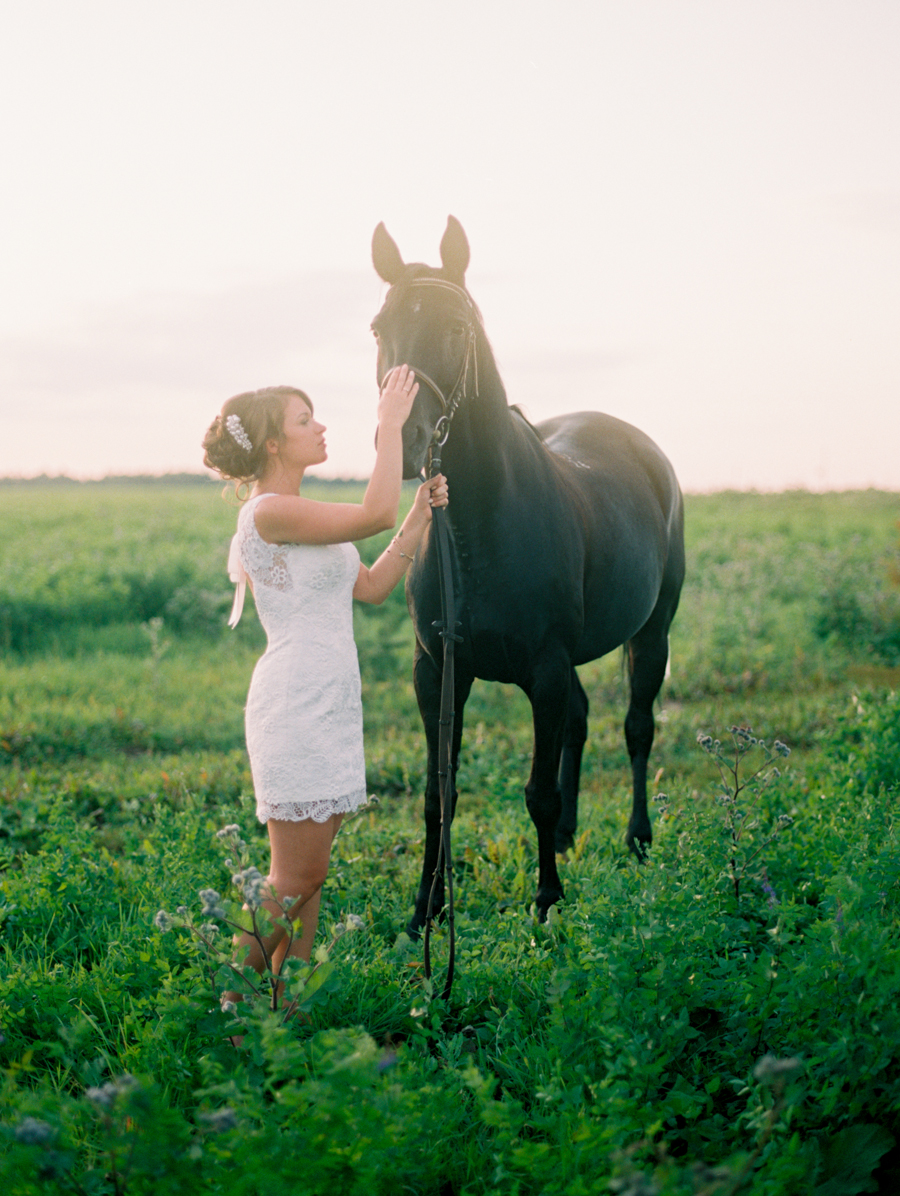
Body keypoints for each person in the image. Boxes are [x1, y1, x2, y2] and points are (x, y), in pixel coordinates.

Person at [201, 365, 447, 1001]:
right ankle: (228, 1003)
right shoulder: (269, 512)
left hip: (332, 701)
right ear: (274, 445)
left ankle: (288, 1014)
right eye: (304, 421)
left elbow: (370, 587)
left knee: (310, 876)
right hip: (295, 702)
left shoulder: (302, 513)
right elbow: (374, 510)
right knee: (296, 877)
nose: (321, 427)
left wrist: (416, 520)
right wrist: (389, 426)